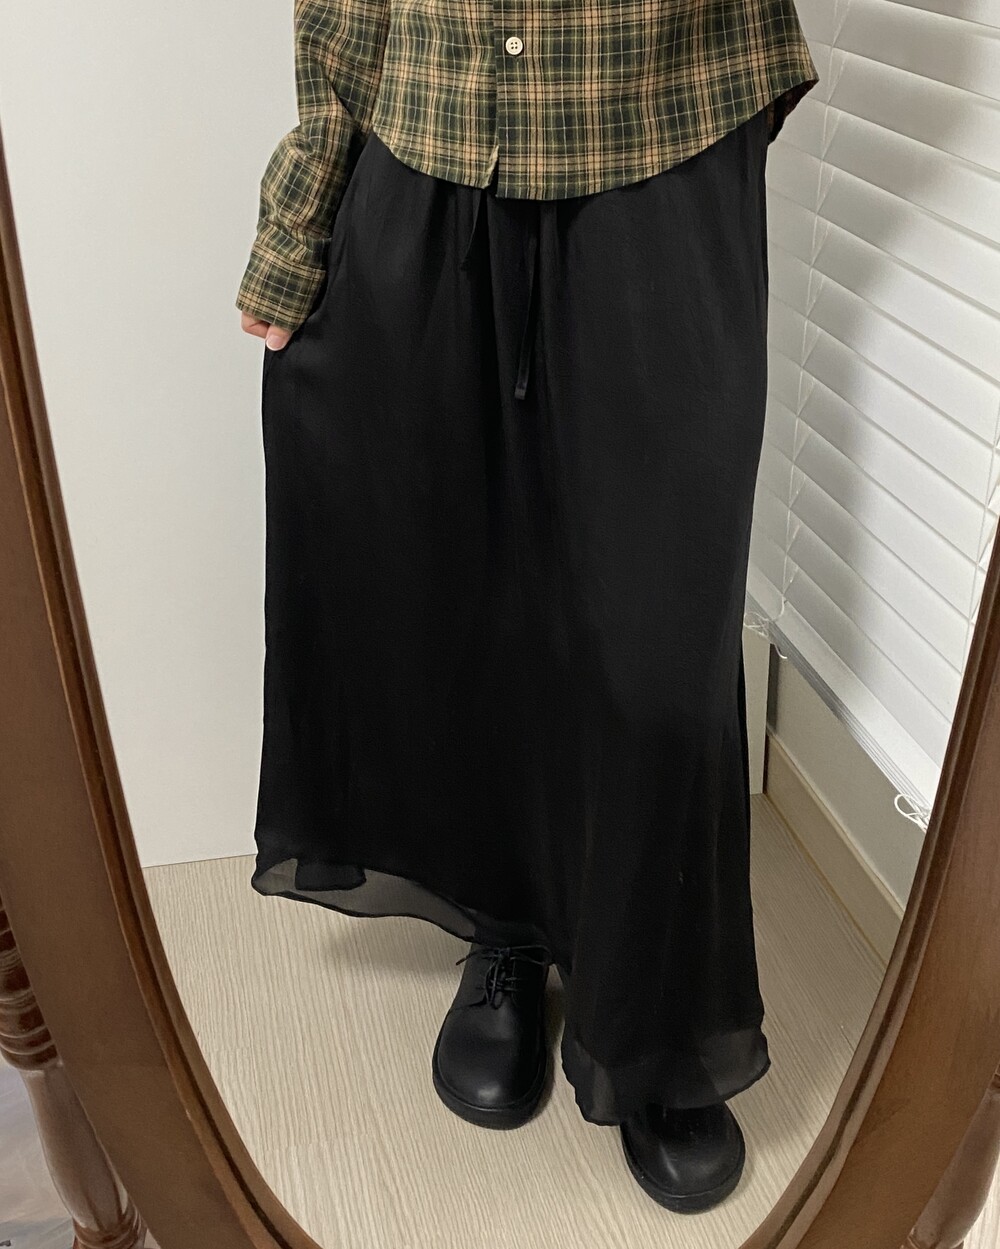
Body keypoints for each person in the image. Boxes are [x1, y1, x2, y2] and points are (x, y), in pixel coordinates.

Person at [236, 0, 819, 1215]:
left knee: (658, 632)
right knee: (463, 587)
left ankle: (656, 1015)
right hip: (428, 138)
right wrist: (302, 215)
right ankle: (503, 924)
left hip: (662, 128)